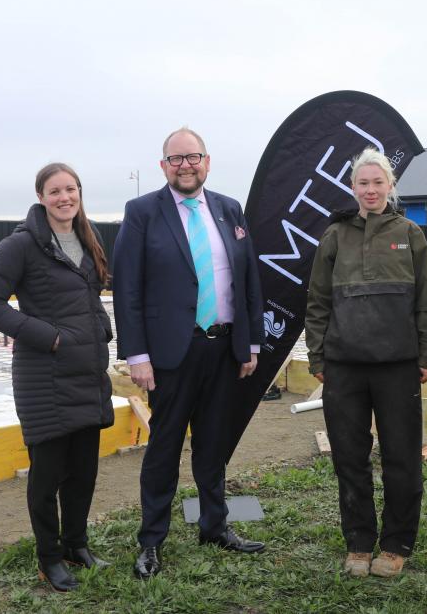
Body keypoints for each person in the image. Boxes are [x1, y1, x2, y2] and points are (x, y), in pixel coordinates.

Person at [112, 127, 265, 580]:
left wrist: (250, 343)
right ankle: (151, 542)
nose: (185, 165)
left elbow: (248, 280)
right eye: (175, 159)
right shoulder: (142, 212)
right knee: (164, 448)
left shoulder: (228, 209)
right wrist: (136, 354)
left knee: (213, 444)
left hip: (222, 348)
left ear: (207, 161)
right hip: (170, 355)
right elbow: (127, 288)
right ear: (164, 166)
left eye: (192, 157)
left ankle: (214, 525)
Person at [0, 163, 114, 592]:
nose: (64, 197)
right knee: (47, 475)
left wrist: (102, 330)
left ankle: (76, 545)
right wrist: (47, 337)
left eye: (71, 189)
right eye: (55, 191)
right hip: (46, 377)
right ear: (41, 197)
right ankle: (48, 558)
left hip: (86, 372)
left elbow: (88, 295)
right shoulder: (21, 245)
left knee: (84, 471)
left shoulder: (88, 236)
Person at [305, 147, 427, 578]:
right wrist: (317, 355)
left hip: (398, 366)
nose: (370, 190)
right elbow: (318, 301)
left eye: (377, 182)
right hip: (344, 367)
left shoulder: (410, 234)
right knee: (350, 457)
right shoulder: (335, 236)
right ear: (352, 187)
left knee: (401, 457)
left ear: (390, 186)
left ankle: (397, 544)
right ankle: (359, 542)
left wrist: (426, 354)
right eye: (362, 183)